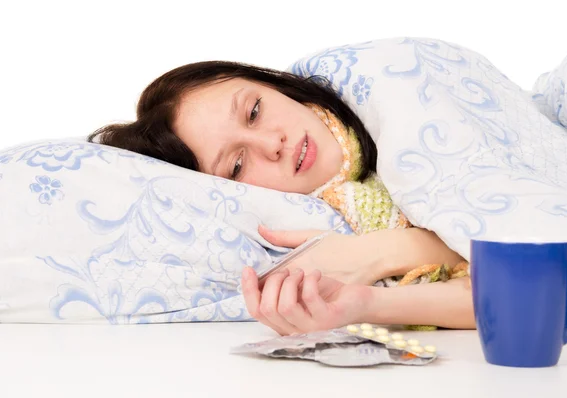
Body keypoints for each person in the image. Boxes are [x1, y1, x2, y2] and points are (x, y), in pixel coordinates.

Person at [88, 61, 475, 335]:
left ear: (275, 86)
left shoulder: (394, 104)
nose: (272, 143)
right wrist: (363, 303)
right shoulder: (320, 231)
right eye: (237, 165)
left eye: (254, 110)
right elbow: (515, 296)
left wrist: (373, 254)